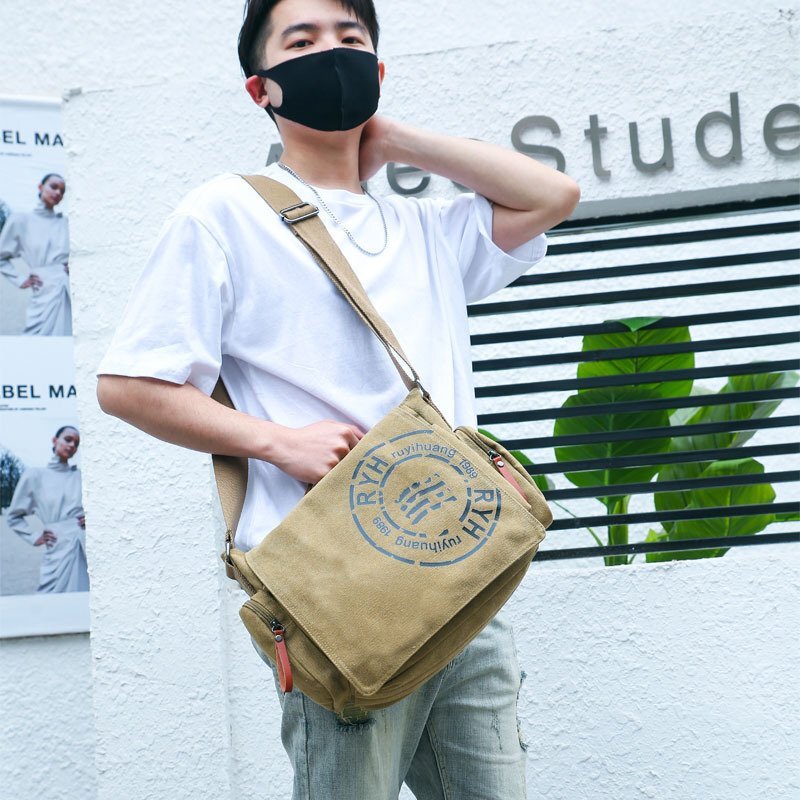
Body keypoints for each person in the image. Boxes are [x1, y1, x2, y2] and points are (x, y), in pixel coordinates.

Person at [96, 0, 580, 796]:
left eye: (351, 38)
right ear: (262, 88)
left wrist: (393, 139)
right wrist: (277, 442)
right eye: (303, 39)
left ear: (377, 70)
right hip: (337, 587)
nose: (331, 51)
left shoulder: (427, 228)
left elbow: (553, 194)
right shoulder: (226, 214)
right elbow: (128, 386)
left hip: (463, 572)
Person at [6, 425, 88, 593]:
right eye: (68, 439)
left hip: (81, 544)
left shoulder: (80, 476)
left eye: (76, 443)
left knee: (82, 596)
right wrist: (35, 536)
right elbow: (13, 516)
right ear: (55, 440)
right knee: (50, 595)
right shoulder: (35, 475)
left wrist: (91, 519)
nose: (72, 445)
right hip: (56, 546)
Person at [0, 173, 72, 336]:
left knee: (65, 337)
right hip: (42, 289)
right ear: (40, 187)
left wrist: (73, 267)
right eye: (54, 187)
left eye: (62, 191)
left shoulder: (65, 223)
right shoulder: (20, 220)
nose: (58, 193)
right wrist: (20, 279)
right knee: (36, 338)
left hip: (65, 289)